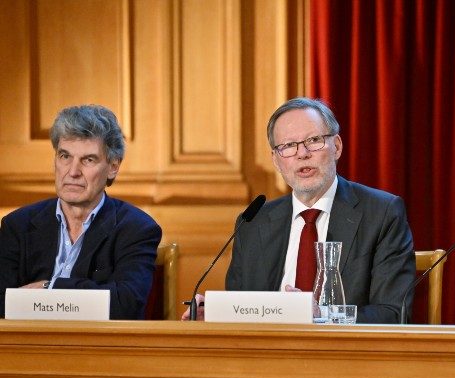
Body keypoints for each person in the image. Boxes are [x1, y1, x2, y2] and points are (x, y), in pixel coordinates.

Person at [183, 97, 416, 323]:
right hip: (267, 356)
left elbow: (394, 312)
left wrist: (322, 318)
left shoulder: (382, 213)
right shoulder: (254, 222)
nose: (302, 153)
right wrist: (215, 316)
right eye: (288, 146)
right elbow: (242, 306)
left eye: (314, 140)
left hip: (345, 356)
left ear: (336, 146)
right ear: (276, 160)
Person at [0, 105, 162, 320]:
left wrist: (51, 288)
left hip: (100, 349)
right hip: (28, 348)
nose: (73, 172)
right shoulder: (18, 225)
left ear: (113, 167)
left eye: (88, 160)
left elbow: (126, 303)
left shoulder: (136, 229)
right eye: (65, 156)